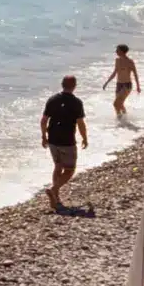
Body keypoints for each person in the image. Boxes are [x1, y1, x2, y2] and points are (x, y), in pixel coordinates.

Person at [41, 75, 87, 209]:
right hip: (67, 141)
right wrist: (84, 138)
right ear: (74, 86)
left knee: (58, 165)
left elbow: (44, 120)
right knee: (69, 170)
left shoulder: (52, 100)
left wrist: (43, 136)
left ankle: (56, 198)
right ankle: (54, 189)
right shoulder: (77, 102)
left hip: (53, 139)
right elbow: (80, 123)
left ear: (62, 85)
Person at [102, 44, 140, 116]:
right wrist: (107, 82)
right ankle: (124, 118)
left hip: (127, 85)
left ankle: (120, 118)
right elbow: (114, 73)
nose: (116, 52)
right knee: (120, 104)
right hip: (119, 85)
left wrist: (138, 86)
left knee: (116, 104)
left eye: (117, 50)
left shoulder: (130, 62)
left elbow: (135, 74)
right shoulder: (117, 60)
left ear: (122, 51)